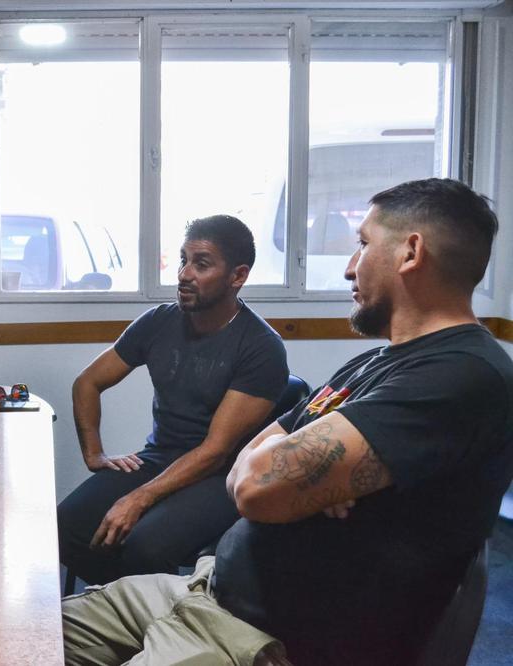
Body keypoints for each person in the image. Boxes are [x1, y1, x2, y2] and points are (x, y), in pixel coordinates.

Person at [62, 178, 513, 666]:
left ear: (410, 252)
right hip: (206, 589)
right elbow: (258, 462)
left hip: (257, 634)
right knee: (12, 632)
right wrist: (303, 476)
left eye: (362, 244)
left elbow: (254, 484)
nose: (348, 268)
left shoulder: (461, 376)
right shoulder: (371, 366)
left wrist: (288, 471)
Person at [58, 215, 288, 586]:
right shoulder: (159, 321)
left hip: (221, 477)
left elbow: (215, 451)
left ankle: (153, 624)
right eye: (183, 260)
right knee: (65, 525)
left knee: (145, 547)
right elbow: (87, 383)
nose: (183, 274)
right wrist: (94, 455)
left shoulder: (262, 347)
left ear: (238, 276)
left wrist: (138, 499)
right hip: (159, 458)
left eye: (202, 263)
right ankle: (126, 609)